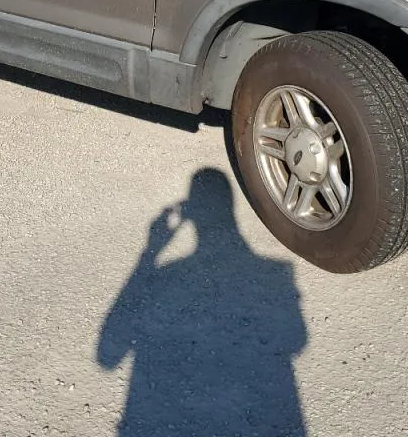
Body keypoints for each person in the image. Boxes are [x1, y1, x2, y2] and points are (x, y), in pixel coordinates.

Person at [97, 168, 308, 436]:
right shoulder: (277, 273)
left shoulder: (168, 275)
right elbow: (297, 339)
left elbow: (108, 355)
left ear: (191, 214)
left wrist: (150, 252)